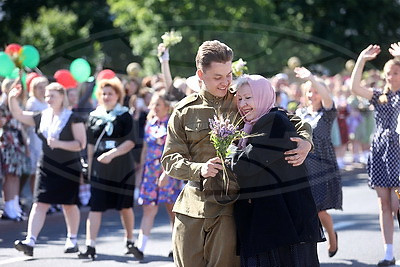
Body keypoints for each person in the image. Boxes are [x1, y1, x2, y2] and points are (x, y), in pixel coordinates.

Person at [161, 40, 313, 267]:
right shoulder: (184, 110)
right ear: (200, 74)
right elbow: (169, 159)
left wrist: (306, 142)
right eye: (217, 77)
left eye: (228, 75)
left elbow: (289, 120)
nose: (225, 83)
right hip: (191, 207)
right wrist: (199, 168)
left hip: (229, 207)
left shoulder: (241, 100)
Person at [231, 74, 323, 267]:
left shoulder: (274, 121)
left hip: (285, 224)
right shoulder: (250, 126)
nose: (243, 104)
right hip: (275, 224)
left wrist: (227, 151)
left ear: (263, 95)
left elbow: (246, 165)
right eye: (239, 99)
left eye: (248, 97)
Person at [9, 82, 86, 256]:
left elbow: (80, 144)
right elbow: (18, 114)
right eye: (46, 96)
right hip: (46, 166)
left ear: (62, 97)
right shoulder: (41, 116)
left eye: (52, 96)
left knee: (69, 205)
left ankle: (72, 239)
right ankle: (30, 241)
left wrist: (59, 143)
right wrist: (12, 97)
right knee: (39, 203)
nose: (48, 99)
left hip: (68, 167)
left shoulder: (73, 118)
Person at [78, 77, 142, 260]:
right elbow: (90, 145)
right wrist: (89, 168)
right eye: (103, 93)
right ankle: (90, 245)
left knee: (125, 207)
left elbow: (130, 142)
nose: (106, 97)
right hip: (100, 168)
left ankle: (129, 240)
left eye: (110, 93)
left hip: (122, 167)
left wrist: (112, 154)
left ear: (118, 95)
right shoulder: (93, 116)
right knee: (95, 207)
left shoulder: (124, 115)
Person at [350, 43, 400, 266]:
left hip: (398, 152)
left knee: (397, 203)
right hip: (380, 151)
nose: (391, 76)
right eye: (388, 73)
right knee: (384, 205)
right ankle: (388, 253)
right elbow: (355, 88)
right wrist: (362, 59)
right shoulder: (380, 96)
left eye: (396, 72)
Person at [294, 67, 342, 258]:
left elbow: (327, 97)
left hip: (322, 167)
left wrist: (312, 79)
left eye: (316, 91)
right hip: (303, 166)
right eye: (309, 92)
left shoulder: (327, 113)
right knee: (308, 209)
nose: (313, 95)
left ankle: (331, 234)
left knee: (320, 209)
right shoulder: (300, 113)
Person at [136, 92, 182, 257]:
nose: (153, 108)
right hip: (150, 173)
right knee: (148, 208)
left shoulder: (172, 123)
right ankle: (140, 247)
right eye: (152, 104)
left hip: (167, 172)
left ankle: (175, 247)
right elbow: (145, 149)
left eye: (158, 104)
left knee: (172, 211)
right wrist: (140, 171)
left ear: (167, 107)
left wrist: (167, 173)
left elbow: (175, 151)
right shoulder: (149, 123)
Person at [0, 78, 30, 221]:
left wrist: (26, 144)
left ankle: (14, 204)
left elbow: (21, 127)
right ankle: (8, 206)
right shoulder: (4, 104)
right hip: (7, 140)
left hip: (16, 141)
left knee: (16, 174)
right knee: (10, 174)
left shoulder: (17, 104)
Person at [24, 76, 49, 194]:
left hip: (46, 140)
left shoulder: (47, 102)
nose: (43, 90)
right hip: (34, 140)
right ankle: (35, 197)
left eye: (45, 87)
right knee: (35, 172)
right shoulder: (32, 103)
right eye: (40, 88)